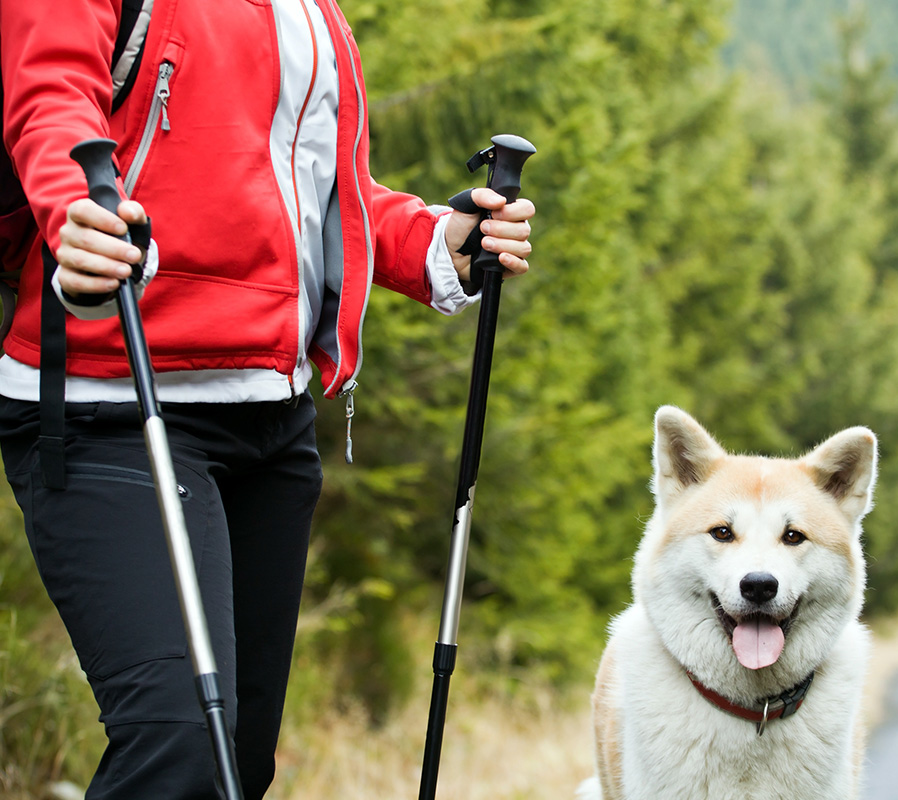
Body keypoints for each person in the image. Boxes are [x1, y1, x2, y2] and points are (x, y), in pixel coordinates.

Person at [0, 1, 535, 798]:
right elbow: (51, 98)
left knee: (237, 763)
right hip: (113, 400)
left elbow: (321, 194)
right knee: (181, 745)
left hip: (272, 423)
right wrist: (76, 211)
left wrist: (435, 240)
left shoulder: (310, 10)